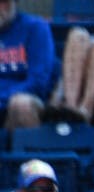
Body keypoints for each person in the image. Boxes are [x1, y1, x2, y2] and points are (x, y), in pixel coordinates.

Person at [0, 0, 57, 129]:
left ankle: (32, 142)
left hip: (22, 104)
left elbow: (38, 81)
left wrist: (3, 97)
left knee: (22, 104)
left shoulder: (35, 28)